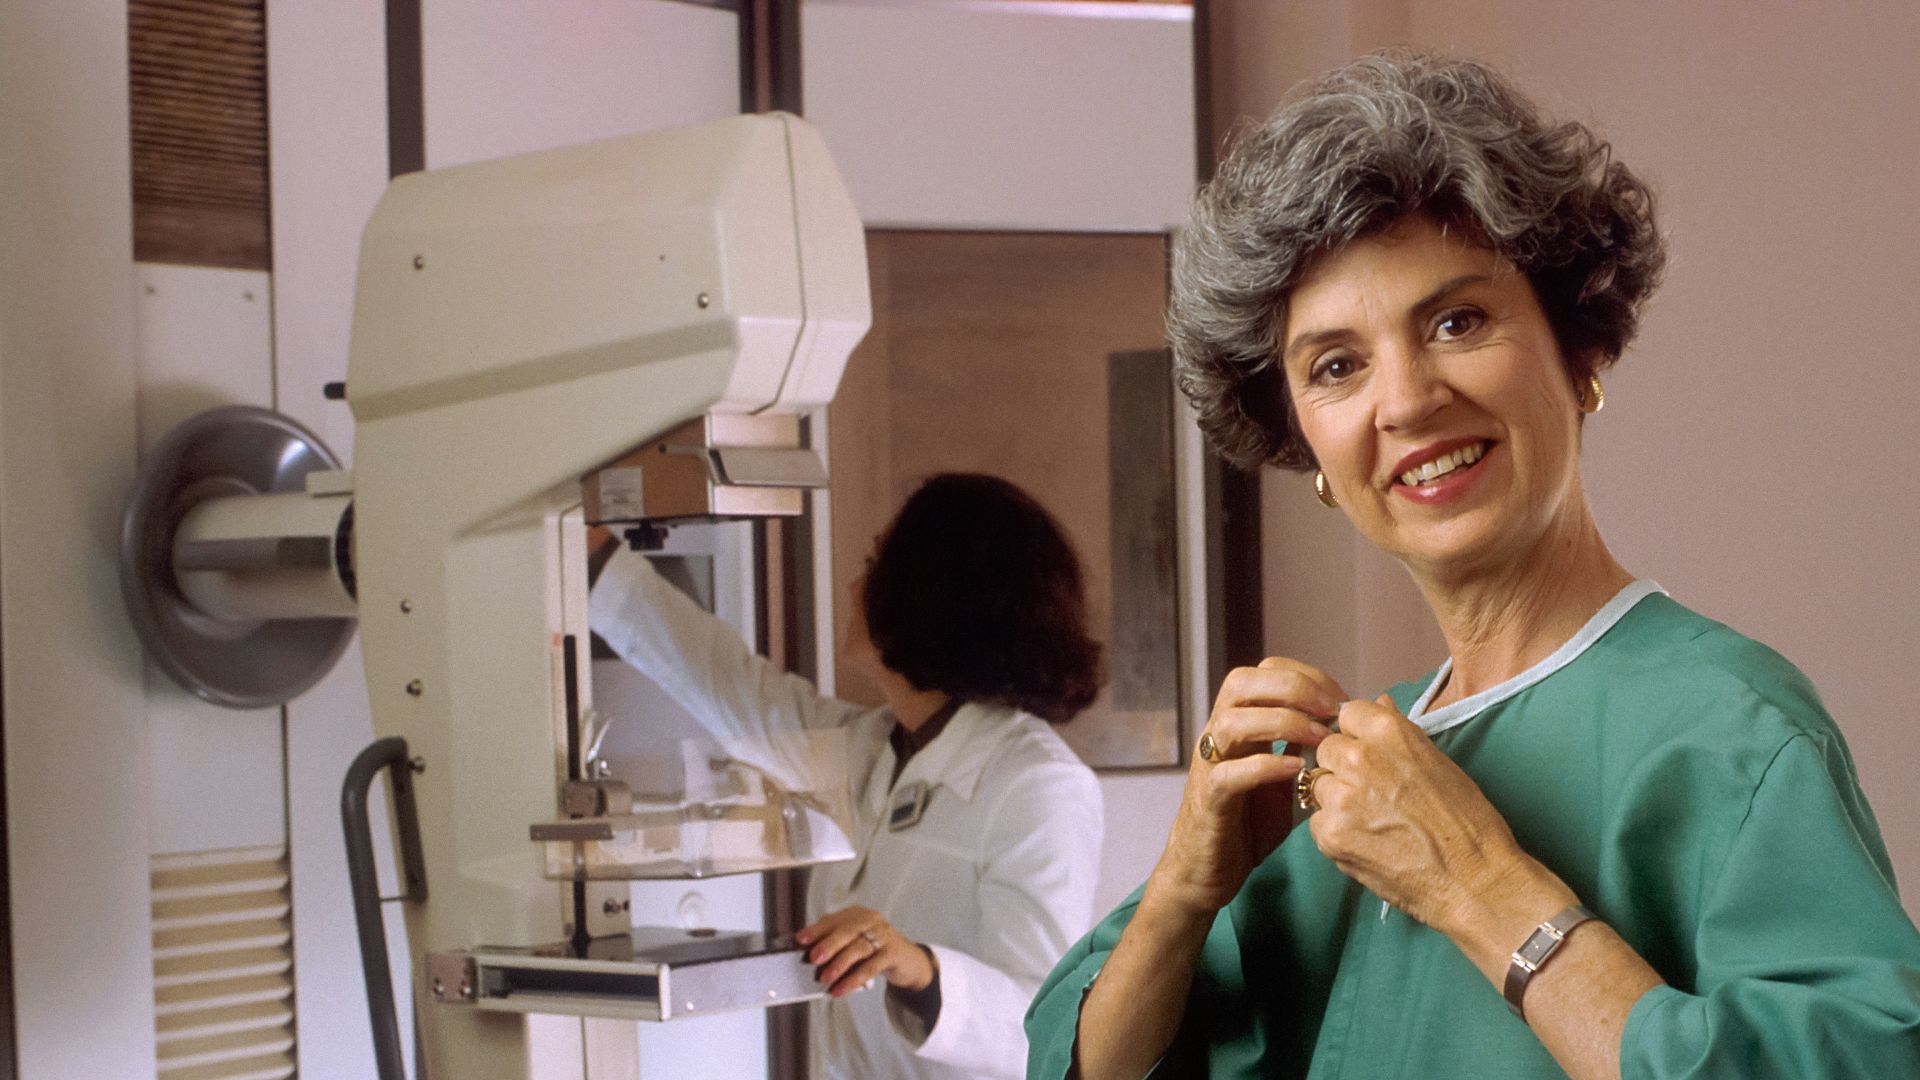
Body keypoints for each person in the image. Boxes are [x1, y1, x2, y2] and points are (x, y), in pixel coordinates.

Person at [1027, 50, 1920, 1080]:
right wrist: (1187, 881)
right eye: (1336, 366)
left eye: (1457, 321)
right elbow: (1081, 1056)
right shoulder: (1336, 786)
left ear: (1581, 353)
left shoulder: (1733, 734)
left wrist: (1479, 886)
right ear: (1305, 445)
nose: (1405, 402)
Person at [592, 472, 1105, 1079]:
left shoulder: (1038, 785)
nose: (852, 583)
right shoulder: (869, 748)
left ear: (929, 592)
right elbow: (718, 675)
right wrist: (593, 558)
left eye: (873, 561)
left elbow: (1043, 1027)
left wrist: (921, 970)